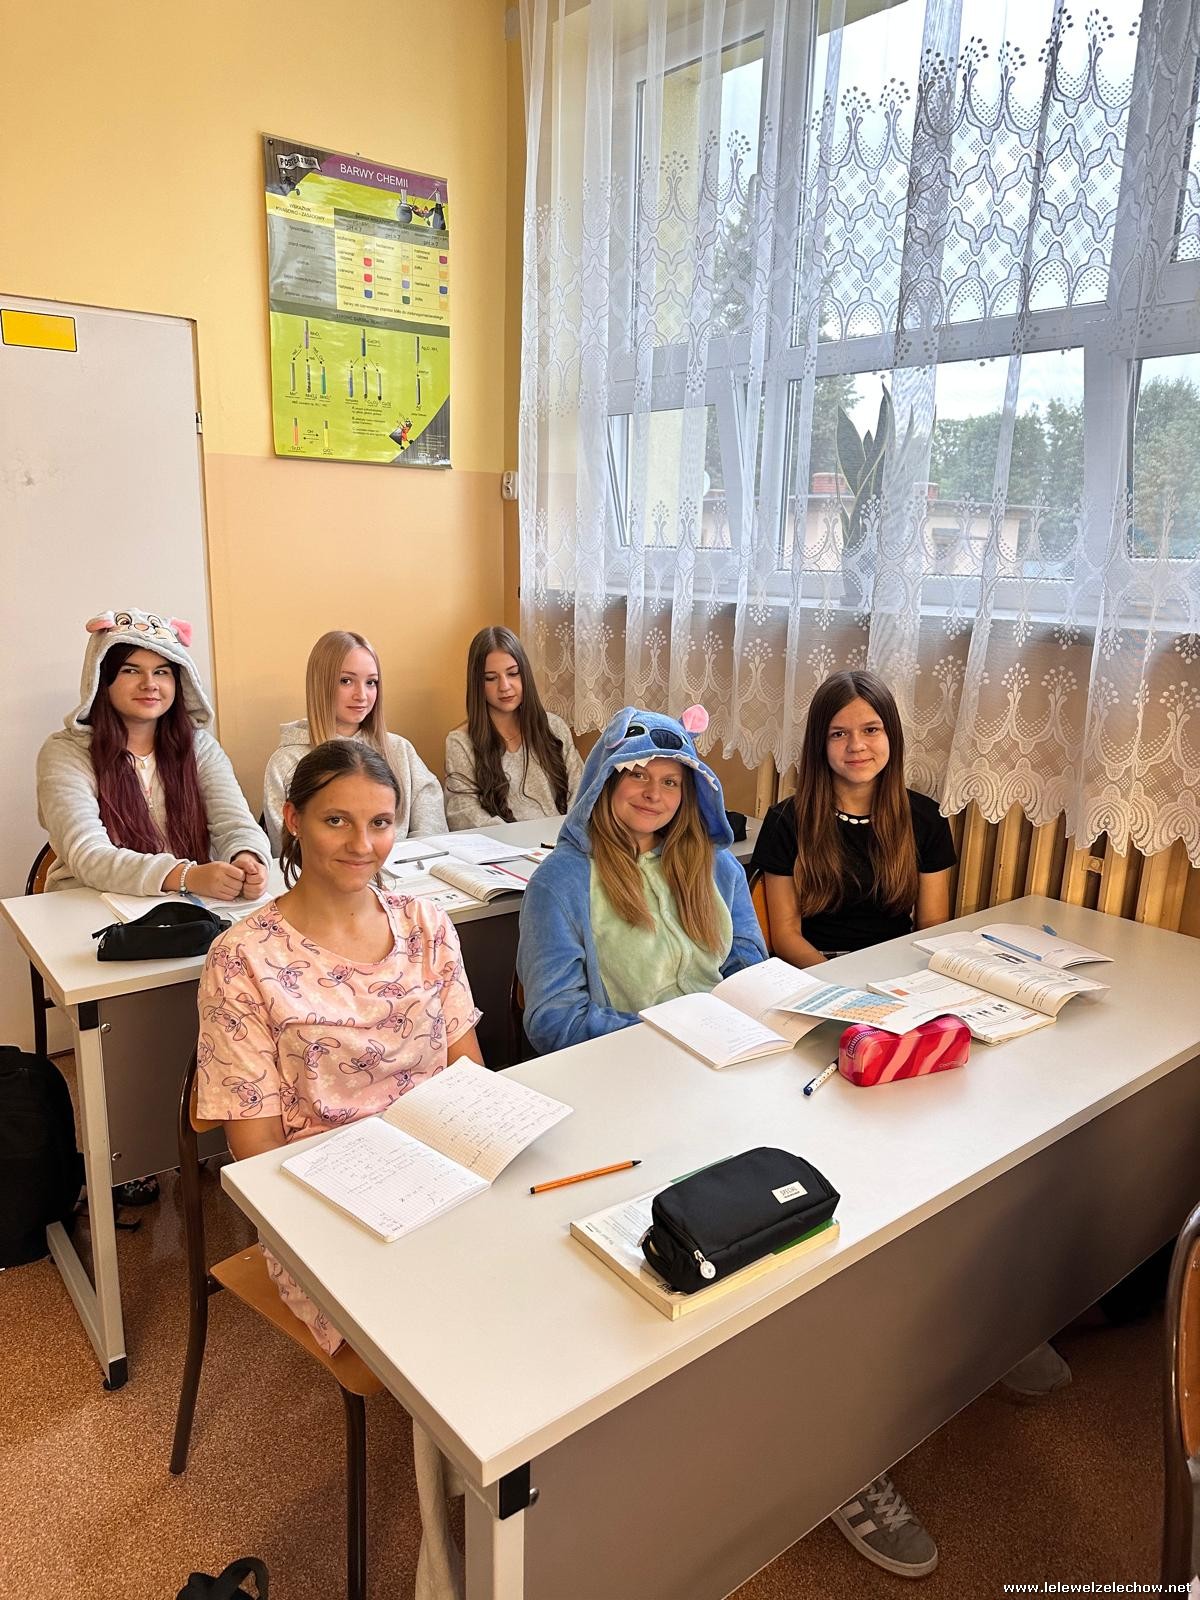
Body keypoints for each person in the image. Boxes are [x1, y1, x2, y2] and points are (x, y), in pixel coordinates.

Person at [750, 669, 1068, 1579]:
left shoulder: (923, 819)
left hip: (903, 995)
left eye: (871, 731)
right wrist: (851, 998)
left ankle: (985, 1329)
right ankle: (851, 1403)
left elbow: (931, 931)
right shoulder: (787, 822)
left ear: (891, 738)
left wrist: (898, 1001)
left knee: (954, 1138)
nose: (857, 747)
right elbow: (784, 938)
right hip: (821, 1000)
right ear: (819, 744)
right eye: (840, 733)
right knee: (848, 1160)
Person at [196, 739, 481, 1600]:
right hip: (323, 1215)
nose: (364, 844)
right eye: (337, 821)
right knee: (456, 1327)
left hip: (444, 1178)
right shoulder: (244, 957)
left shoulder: (426, 925)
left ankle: (521, 1497)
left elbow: (469, 1074)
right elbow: (255, 1154)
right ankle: (451, 1561)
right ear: (292, 819)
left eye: (381, 823)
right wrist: (387, 1190)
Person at [36, 607, 271, 1207]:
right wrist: (186, 872)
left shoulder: (199, 747)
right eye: (132, 670)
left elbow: (236, 823)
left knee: (244, 982)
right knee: (129, 1019)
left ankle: (221, 1122)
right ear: (102, 679)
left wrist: (247, 857)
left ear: (180, 680)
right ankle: (125, 1149)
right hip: (92, 911)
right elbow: (88, 854)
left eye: (163, 671)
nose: (150, 684)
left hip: (190, 903)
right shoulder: (65, 752)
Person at [517, 706, 766, 1055]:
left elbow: (748, 967)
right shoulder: (560, 883)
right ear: (607, 779)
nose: (654, 794)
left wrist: (746, 1020)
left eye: (670, 782)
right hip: (628, 1059)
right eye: (638, 774)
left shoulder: (718, 866)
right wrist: (675, 1037)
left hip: (725, 1050)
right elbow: (556, 1021)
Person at [262, 629, 445, 854]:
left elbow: (433, 831)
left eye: (371, 682)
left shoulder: (400, 750)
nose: (362, 695)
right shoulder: (286, 762)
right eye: (346, 681)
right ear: (320, 684)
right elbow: (290, 848)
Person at [443, 625, 583, 830]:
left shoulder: (554, 727)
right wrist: (511, 838)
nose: (505, 687)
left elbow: (581, 790)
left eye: (513, 673)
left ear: (524, 674)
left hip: (561, 839)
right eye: (491, 678)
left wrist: (568, 834)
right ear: (477, 684)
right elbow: (463, 814)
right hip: (500, 844)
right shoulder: (460, 742)